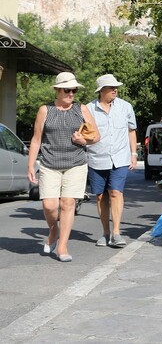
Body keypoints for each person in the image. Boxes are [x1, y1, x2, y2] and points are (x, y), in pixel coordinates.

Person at [28, 72, 100, 263]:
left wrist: (83, 139)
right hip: (49, 164)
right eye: (67, 90)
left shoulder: (81, 109)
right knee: (49, 205)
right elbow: (36, 139)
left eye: (74, 90)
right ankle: (54, 230)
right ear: (58, 90)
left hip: (75, 163)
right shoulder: (45, 110)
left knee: (67, 204)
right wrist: (30, 164)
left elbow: (96, 136)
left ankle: (62, 246)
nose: (71, 93)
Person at [86, 74, 137, 248]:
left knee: (116, 192)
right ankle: (105, 232)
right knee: (101, 196)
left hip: (120, 158)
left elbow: (131, 131)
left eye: (116, 87)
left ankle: (116, 233)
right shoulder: (88, 109)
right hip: (96, 158)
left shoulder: (125, 107)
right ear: (101, 91)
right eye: (111, 87)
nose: (115, 90)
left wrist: (134, 154)